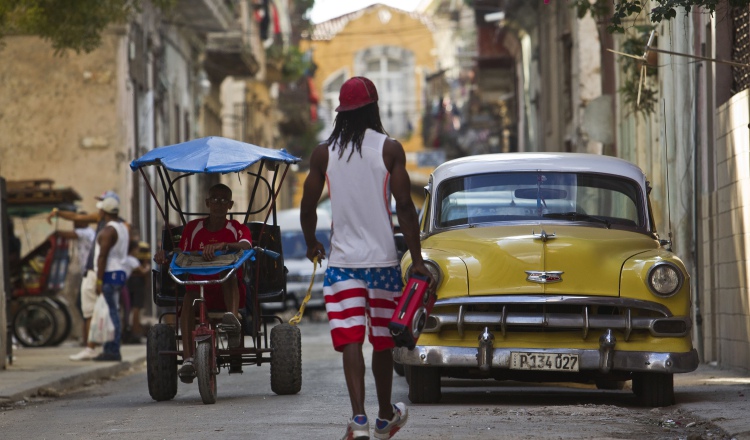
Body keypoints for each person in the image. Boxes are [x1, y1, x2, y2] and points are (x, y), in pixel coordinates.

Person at [300, 76, 433, 440]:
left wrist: (312, 242)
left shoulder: (323, 153)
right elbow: (405, 207)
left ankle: (358, 418)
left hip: (343, 264)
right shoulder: (389, 149)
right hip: (382, 263)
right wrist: (417, 259)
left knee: (351, 340)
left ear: (340, 113)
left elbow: (308, 205)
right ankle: (385, 415)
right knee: (381, 341)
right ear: (374, 108)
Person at [153, 183, 251, 383]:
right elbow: (181, 253)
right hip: (199, 290)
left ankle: (232, 320)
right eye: (214, 199)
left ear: (230, 205)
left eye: (224, 200)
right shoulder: (192, 228)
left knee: (228, 272)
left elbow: (246, 245)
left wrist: (223, 245)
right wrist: (166, 255)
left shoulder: (236, 228)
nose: (218, 204)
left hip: (227, 291)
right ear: (207, 202)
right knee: (188, 296)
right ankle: (188, 359)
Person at [69, 196, 129, 362]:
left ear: (104, 211)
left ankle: (112, 350)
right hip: (119, 273)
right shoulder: (122, 227)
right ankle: (111, 348)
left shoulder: (107, 231)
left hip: (109, 275)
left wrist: (99, 281)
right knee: (113, 312)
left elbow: (102, 257)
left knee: (111, 313)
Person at [53, 212, 96, 346]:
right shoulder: (86, 232)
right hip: (87, 273)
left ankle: (89, 339)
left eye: (78, 221)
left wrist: (56, 231)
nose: (75, 224)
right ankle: (88, 338)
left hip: (91, 273)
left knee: (85, 306)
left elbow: (66, 234)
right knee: (85, 306)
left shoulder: (87, 232)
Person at [122, 241, 150, 343]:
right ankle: (135, 332)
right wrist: (147, 268)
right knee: (136, 308)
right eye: (136, 249)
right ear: (133, 249)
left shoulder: (124, 258)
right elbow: (143, 272)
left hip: (126, 283)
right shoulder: (132, 260)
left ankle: (127, 331)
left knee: (127, 309)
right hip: (136, 283)